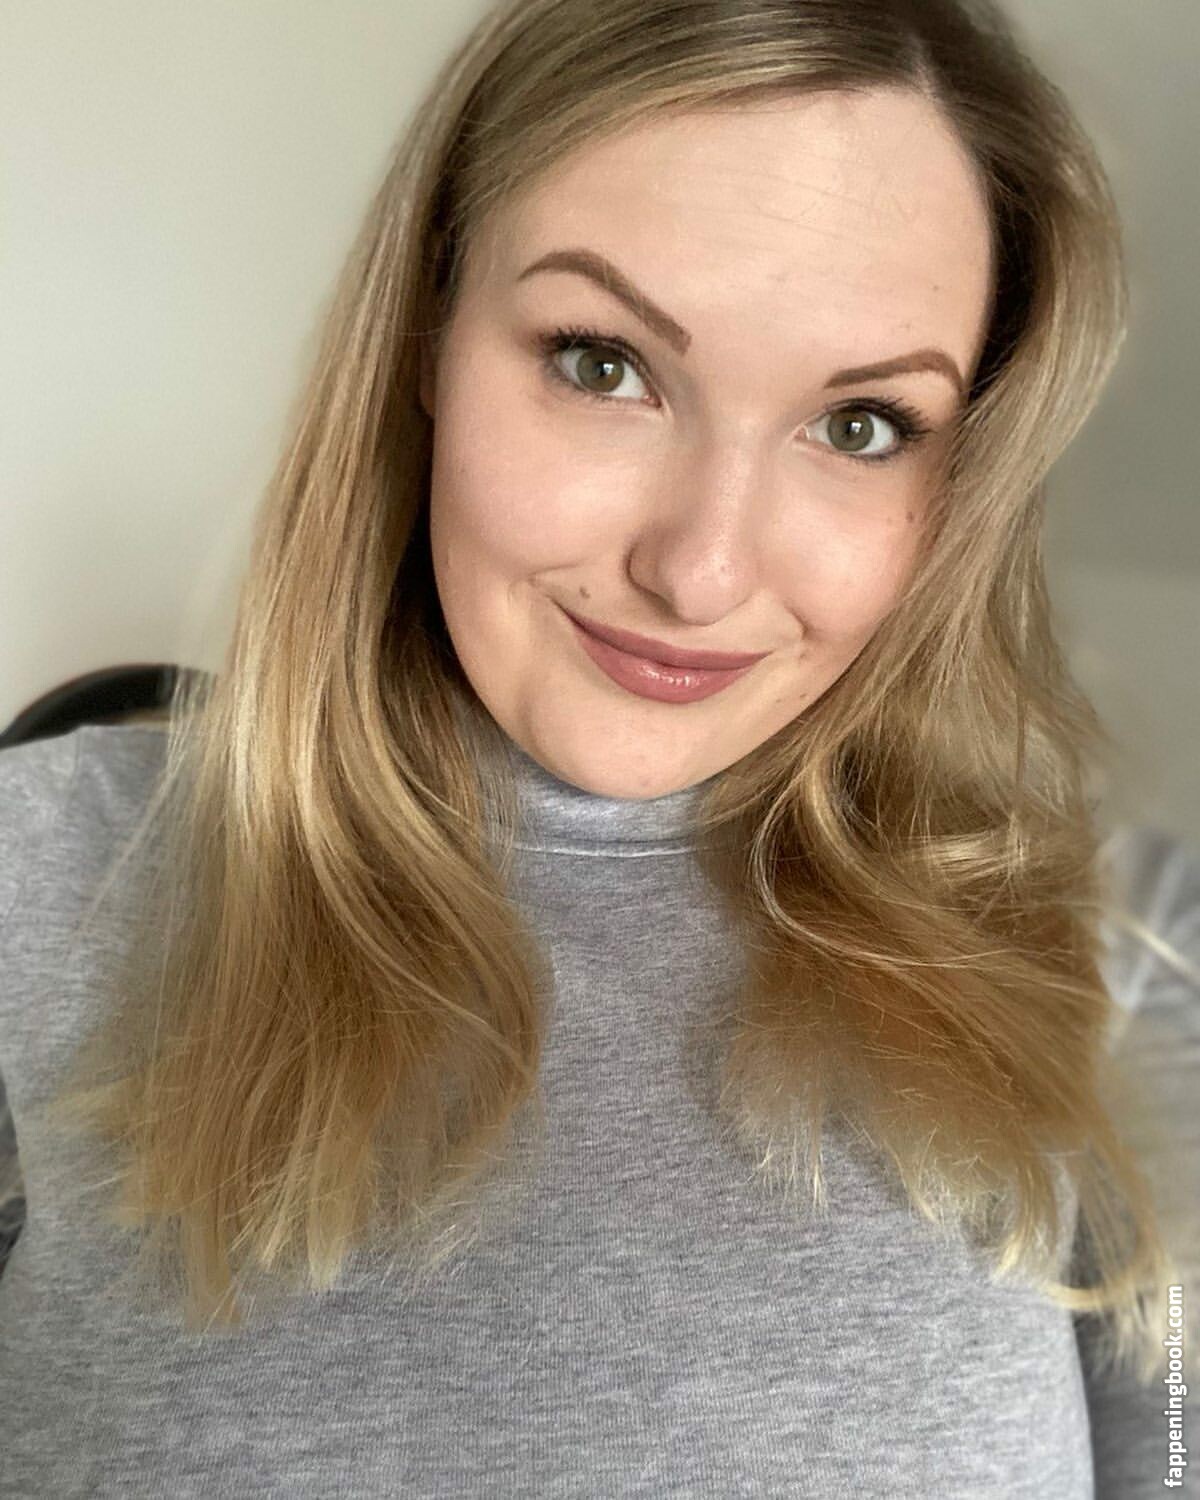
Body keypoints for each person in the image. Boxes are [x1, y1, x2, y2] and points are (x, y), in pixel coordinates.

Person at [0, 0, 1196, 1494]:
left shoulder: (1120, 958)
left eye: (863, 425)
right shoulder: (36, 883)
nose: (700, 572)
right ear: (429, 333)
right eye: (602, 362)